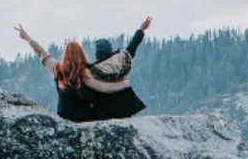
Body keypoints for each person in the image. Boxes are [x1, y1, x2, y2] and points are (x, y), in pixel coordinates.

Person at [14, 17, 152, 123]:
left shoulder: (57, 70)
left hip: (64, 116)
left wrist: (27, 38)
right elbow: (128, 52)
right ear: (81, 54)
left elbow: (42, 53)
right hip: (87, 119)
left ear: (64, 55)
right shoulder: (89, 73)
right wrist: (141, 30)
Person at [89, 16, 151, 119]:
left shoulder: (94, 70)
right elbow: (133, 45)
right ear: (110, 50)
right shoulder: (121, 58)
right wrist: (141, 29)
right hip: (125, 104)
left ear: (97, 54)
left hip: (107, 109)